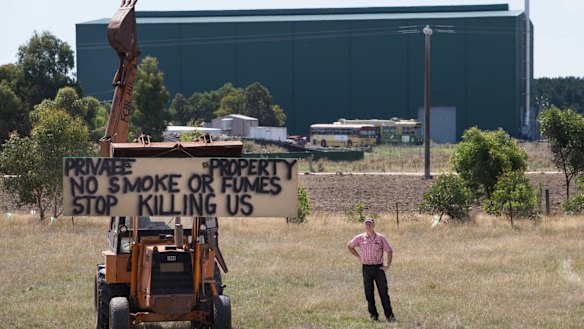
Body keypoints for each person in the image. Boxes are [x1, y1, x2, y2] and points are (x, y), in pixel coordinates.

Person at [347, 217, 396, 322]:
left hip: (378, 268)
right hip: (366, 268)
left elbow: (389, 250)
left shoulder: (380, 238)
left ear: (374, 226)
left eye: (370, 224)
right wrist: (359, 256)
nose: (368, 226)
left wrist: (387, 265)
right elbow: (350, 246)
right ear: (364, 226)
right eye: (367, 224)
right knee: (369, 293)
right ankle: (373, 315)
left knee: (383, 292)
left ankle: (389, 316)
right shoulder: (360, 238)